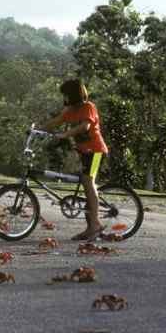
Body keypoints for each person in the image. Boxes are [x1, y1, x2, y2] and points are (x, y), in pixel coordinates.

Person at [42, 79, 109, 241]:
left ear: (72, 94)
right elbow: (55, 122)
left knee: (88, 182)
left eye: (65, 94)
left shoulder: (88, 107)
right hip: (83, 152)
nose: (64, 97)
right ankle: (90, 228)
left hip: (96, 151)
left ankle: (95, 225)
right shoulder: (70, 110)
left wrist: (65, 135)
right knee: (85, 185)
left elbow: (85, 126)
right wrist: (37, 130)